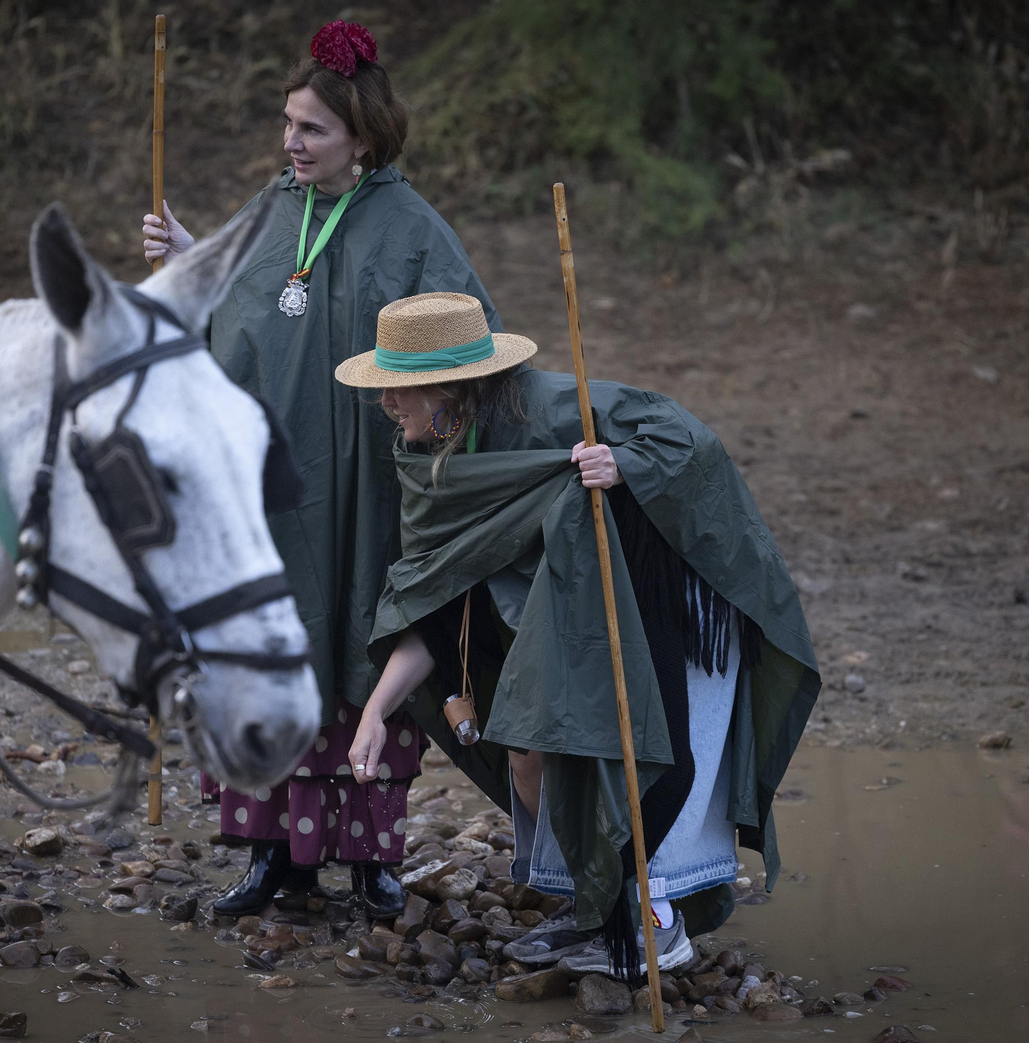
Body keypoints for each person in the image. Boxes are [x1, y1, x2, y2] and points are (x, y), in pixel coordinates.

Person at [335, 292, 821, 980]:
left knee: (621, 749)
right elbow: (433, 600)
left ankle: (653, 919)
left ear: (454, 389)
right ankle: (597, 904)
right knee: (528, 746)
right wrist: (376, 710)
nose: (387, 404)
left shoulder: (557, 408)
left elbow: (691, 446)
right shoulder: (431, 462)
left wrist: (624, 466)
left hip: (660, 599)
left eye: (401, 390)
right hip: (566, 609)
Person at [139, 21, 502, 919]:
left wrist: (442, 443)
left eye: (311, 129)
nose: (290, 142)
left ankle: (372, 858)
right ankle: (271, 854)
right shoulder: (270, 213)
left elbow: (473, 347)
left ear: (362, 140)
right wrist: (188, 258)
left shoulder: (415, 232)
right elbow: (230, 311)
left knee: (362, 646)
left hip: (376, 496)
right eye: (287, 123)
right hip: (276, 495)